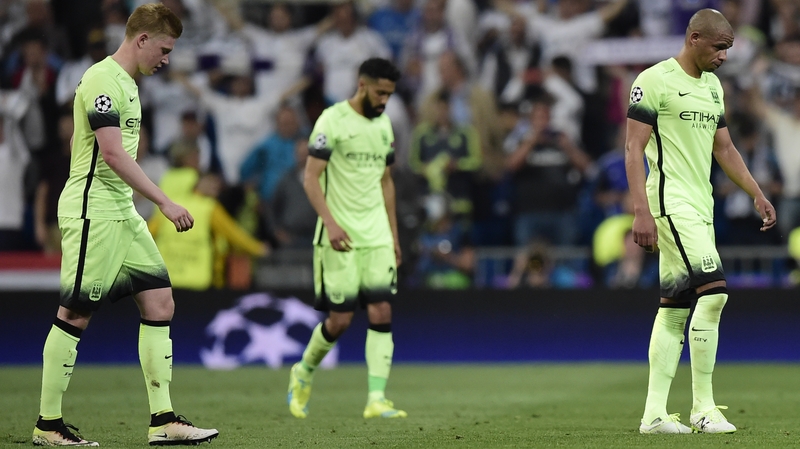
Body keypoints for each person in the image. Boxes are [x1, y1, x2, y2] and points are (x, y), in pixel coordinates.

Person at [31, 4, 218, 446]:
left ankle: (163, 420)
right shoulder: (103, 80)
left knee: (160, 303)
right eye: (164, 49)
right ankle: (48, 424)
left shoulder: (128, 84)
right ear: (142, 39)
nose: (167, 59)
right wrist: (164, 201)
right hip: (93, 212)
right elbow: (113, 154)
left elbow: (88, 145)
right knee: (74, 313)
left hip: (121, 211)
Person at [625, 9, 776, 435]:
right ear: (694, 38)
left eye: (728, 49)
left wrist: (756, 192)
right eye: (719, 47)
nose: (724, 56)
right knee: (714, 294)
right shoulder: (653, 81)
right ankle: (703, 408)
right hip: (670, 203)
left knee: (674, 308)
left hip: (700, 206)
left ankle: (654, 415)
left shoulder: (712, 87)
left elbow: (724, 149)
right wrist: (640, 210)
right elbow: (633, 149)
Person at [287, 58, 406, 420]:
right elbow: (310, 178)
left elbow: (386, 182)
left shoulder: (384, 125)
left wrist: (393, 235)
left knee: (382, 310)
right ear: (362, 85)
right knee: (340, 320)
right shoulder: (332, 120)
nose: (384, 100)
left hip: (377, 236)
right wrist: (331, 223)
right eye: (380, 92)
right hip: (339, 236)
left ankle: (376, 398)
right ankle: (304, 370)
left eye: (389, 94)